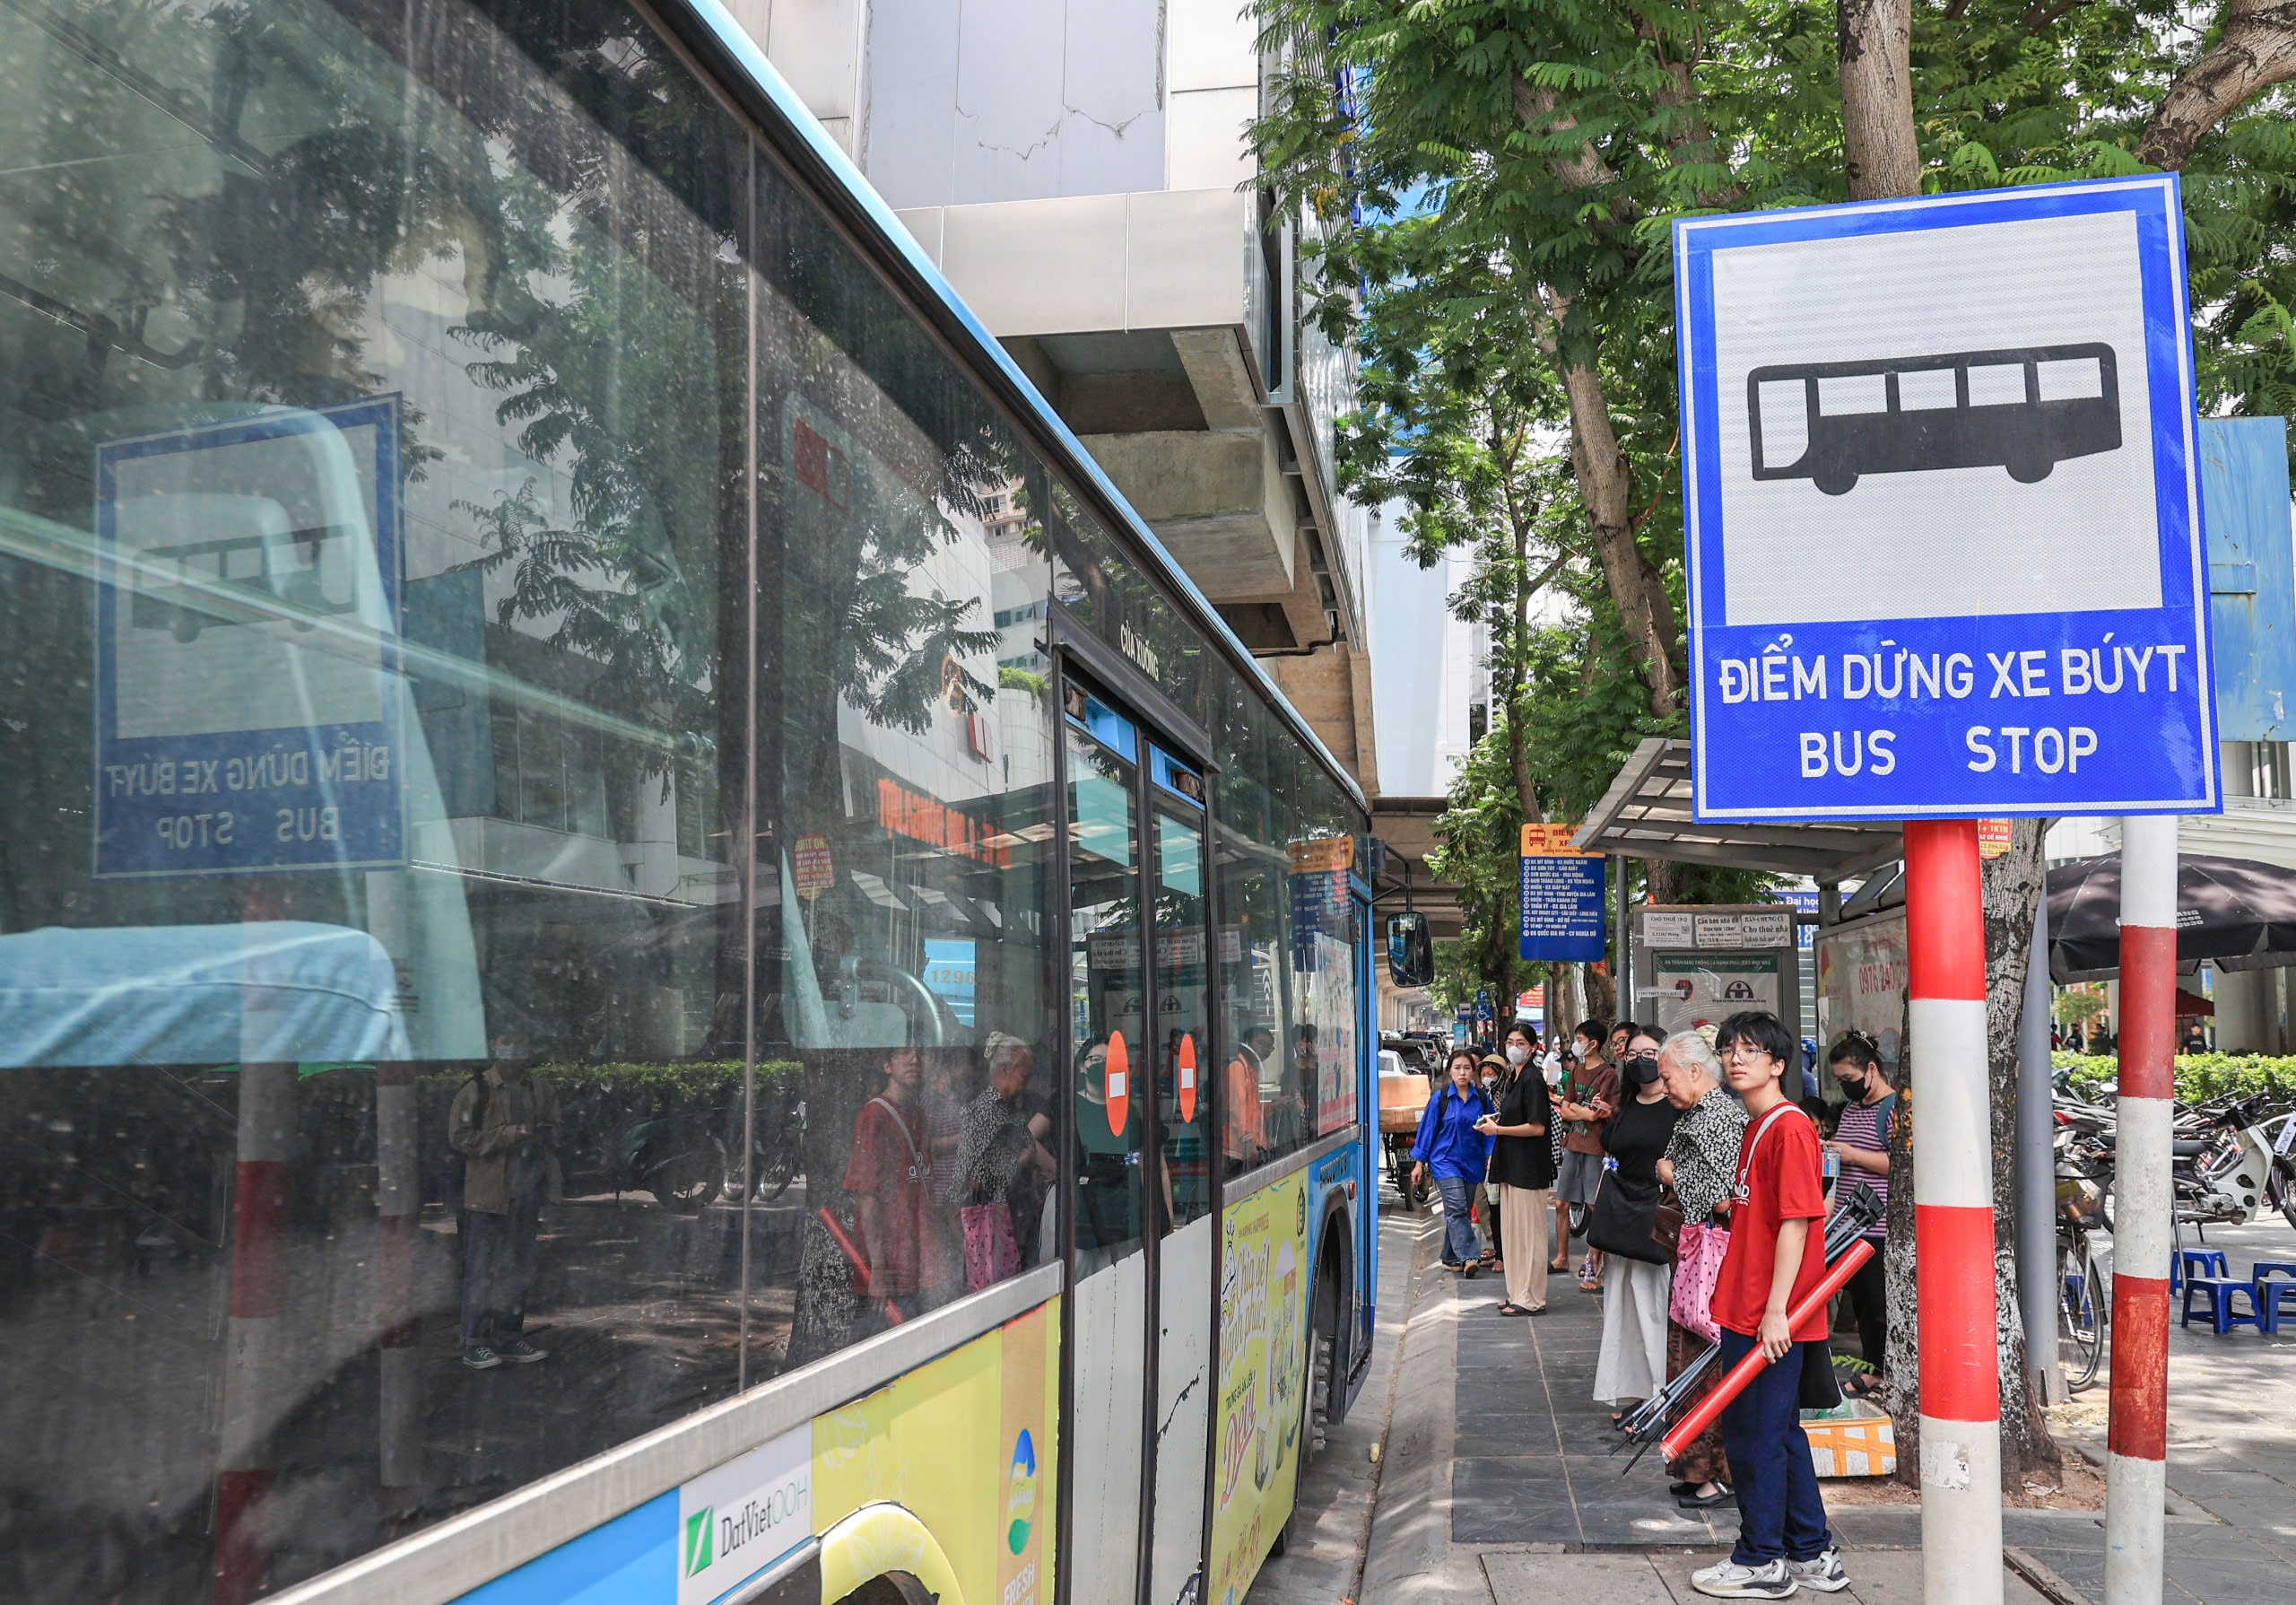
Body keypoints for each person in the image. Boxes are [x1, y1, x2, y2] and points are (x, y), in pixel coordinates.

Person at [1692, 1011, 1849, 1601]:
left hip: (1770, 1315)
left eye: (1751, 1050)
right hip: (1755, 1307)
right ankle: (1811, 1552)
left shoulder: (1789, 1128)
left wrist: (1778, 1309)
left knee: (1756, 1435)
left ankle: (1761, 1559)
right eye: (1729, 1048)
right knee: (1777, 1432)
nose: (1736, 1058)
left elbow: (1797, 1222)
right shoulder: (1759, 1125)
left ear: (1779, 1063)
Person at [1655, 1029, 1747, 1510]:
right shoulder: (1700, 1113)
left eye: (1667, 1077)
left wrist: (1671, 1174)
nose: (1664, 1086)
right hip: (1695, 1254)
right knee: (1687, 1357)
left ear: (1694, 1071)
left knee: (1706, 1362)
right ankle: (1694, 1468)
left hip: (1711, 1257)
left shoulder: (1719, 1117)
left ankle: (1716, 1472)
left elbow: (1723, 1199)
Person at [449, 1033, 561, 1369]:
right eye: (507, 1047)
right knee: (481, 1270)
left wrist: (544, 1134)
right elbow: (460, 1138)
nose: (514, 1057)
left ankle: (509, 1337)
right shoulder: (476, 1091)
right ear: (496, 1050)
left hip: (526, 1193)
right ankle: (475, 1342)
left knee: (518, 1269)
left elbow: (556, 1129)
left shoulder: (539, 1089)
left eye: (519, 1047)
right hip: (486, 1196)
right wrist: (510, 1135)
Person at [1593, 1026, 1681, 1420]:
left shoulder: (1679, 1109)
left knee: (1653, 1308)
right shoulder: (1623, 1107)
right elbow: (1610, 1165)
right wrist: (1597, 1234)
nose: (1640, 1061)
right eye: (1632, 1054)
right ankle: (1629, 1390)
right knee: (1621, 1309)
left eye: (1649, 1053)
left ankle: (1663, 1396)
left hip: (1658, 1222)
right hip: (1620, 1220)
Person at [842, 1041, 945, 1322]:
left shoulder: (920, 1116)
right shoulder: (874, 1116)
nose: (914, 1059)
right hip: (890, 1270)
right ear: (887, 1065)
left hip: (919, 1263)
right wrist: (877, 1268)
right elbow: (866, 1195)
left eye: (919, 1052)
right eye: (903, 1052)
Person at [948, 1034, 1057, 1287]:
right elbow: (972, 1180)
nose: (1026, 1085)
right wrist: (1020, 1161)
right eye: (1023, 1078)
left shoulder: (1013, 1107)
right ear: (1004, 1070)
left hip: (1016, 1217)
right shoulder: (983, 1112)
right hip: (992, 1224)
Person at [1822, 1033, 1896, 1390]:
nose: (1845, 1086)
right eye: (1839, 1081)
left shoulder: (1893, 1109)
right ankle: (1871, 1369)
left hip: (1879, 1226)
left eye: (1849, 1078)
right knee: (1863, 1304)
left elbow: (1901, 1165)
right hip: (1848, 1224)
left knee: (1880, 1304)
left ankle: (1881, 1372)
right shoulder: (1852, 1110)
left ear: (1871, 1070)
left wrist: (1853, 1155)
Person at [1478, 1025, 1555, 1314]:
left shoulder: (1533, 1079)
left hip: (1528, 1168)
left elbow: (1537, 1127)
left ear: (1533, 1048)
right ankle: (1517, 1292)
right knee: (1513, 1236)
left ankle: (1532, 1298)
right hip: (1511, 1165)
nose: (1514, 1047)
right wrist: (1496, 1122)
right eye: (1510, 1042)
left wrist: (1498, 1130)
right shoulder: (1513, 1077)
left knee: (1529, 1237)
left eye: (1521, 1043)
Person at [1412, 1047, 1495, 1277]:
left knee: (1460, 1211)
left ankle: (1450, 1256)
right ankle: (1469, 1256)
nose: (1462, 1072)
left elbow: (1491, 1130)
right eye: (1457, 1068)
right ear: (1449, 1071)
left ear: (1473, 1071)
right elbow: (1427, 1131)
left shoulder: (1482, 1099)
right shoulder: (1440, 1099)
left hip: (1472, 1162)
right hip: (1444, 1161)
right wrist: (1418, 1163)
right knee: (1457, 1207)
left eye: (1467, 1068)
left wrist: (1490, 1154)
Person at [1553, 1018, 1619, 1287]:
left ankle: (1596, 1265)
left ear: (1593, 1043)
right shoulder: (1577, 1071)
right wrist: (1583, 1112)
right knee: (1561, 1203)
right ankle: (1562, 1257)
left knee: (1595, 1206)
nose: (1576, 1044)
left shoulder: (1608, 1075)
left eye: (1580, 1040)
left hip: (1595, 1147)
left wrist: (1577, 1111)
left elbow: (1596, 1115)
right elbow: (1566, 1108)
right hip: (1574, 1143)